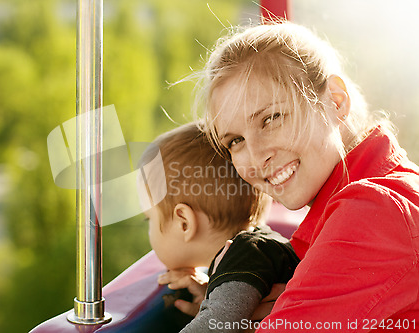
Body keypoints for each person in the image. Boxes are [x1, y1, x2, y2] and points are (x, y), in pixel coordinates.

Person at [180, 21, 419, 332]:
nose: (255, 157)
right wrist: (232, 301)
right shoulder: (386, 189)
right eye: (235, 141)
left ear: (335, 100)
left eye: (271, 118)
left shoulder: (373, 211)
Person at [137, 122, 300, 332]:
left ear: (184, 223)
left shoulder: (245, 256)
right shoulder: (256, 251)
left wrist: (213, 314)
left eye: (149, 219)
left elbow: (216, 328)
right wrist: (210, 297)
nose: (149, 227)